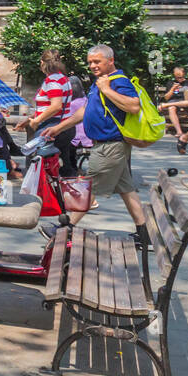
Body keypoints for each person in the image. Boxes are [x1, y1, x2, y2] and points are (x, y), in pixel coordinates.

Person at [43, 44, 146, 236]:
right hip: (108, 145)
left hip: (110, 146)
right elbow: (85, 111)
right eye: (90, 62)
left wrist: (106, 89)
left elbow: (133, 106)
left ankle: (65, 229)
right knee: (126, 189)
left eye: (97, 61)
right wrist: (58, 127)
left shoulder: (118, 82)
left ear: (110, 61)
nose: (92, 65)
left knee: (86, 189)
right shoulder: (100, 82)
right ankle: (144, 232)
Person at [15, 49, 77, 176]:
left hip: (51, 129)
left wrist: (36, 121)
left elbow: (55, 106)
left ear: (42, 63)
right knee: (62, 168)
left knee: (46, 170)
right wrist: (28, 120)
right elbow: (49, 107)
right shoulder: (64, 79)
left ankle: (51, 194)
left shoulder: (52, 81)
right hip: (65, 126)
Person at [157, 66, 188, 139]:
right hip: (174, 100)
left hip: (186, 101)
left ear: (184, 74)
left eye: (181, 77)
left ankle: (166, 105)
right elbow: (166, 97)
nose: (179, 79)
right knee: (171, 108)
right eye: (177, 77)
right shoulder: (171, 83)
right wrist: (173, 89)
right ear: (174, 76)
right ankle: (179, 132)